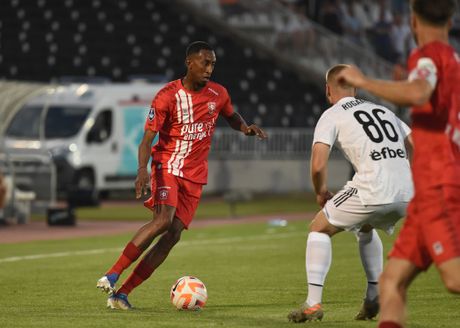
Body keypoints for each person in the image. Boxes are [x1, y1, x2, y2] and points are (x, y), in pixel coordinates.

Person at [96, 41, 267, 310]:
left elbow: (231, 116)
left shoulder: (218, 93)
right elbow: (147, 139)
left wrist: (245, 129)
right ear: (190, 63)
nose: (209, 68)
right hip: (168, 167)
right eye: (205, 63)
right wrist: (142, 170)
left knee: (173, 234)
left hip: (195, 175)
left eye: (212, 64)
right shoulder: (167, 96)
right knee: (164, 220)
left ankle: (122, 294)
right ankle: (112, 273)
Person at [337, 1, 460, 327]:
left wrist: (364, 83)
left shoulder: (427, 56)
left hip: (438, 185)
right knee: (391, 282)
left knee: (454, 279)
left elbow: (419, 92)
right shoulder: (453, 61)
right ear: (450, 18)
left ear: (412, 21)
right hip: (427, 192)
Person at [288, 64, 413, 323]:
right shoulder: (383, 110)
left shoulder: (332, 115)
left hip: (372, 186)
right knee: (364, 227)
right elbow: (417, 145)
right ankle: (374, 295)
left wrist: (321, 191)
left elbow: (318, 164)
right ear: (354, 88)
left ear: (328, 90)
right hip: (407, 190)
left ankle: (312, 303)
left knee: (319, 228)